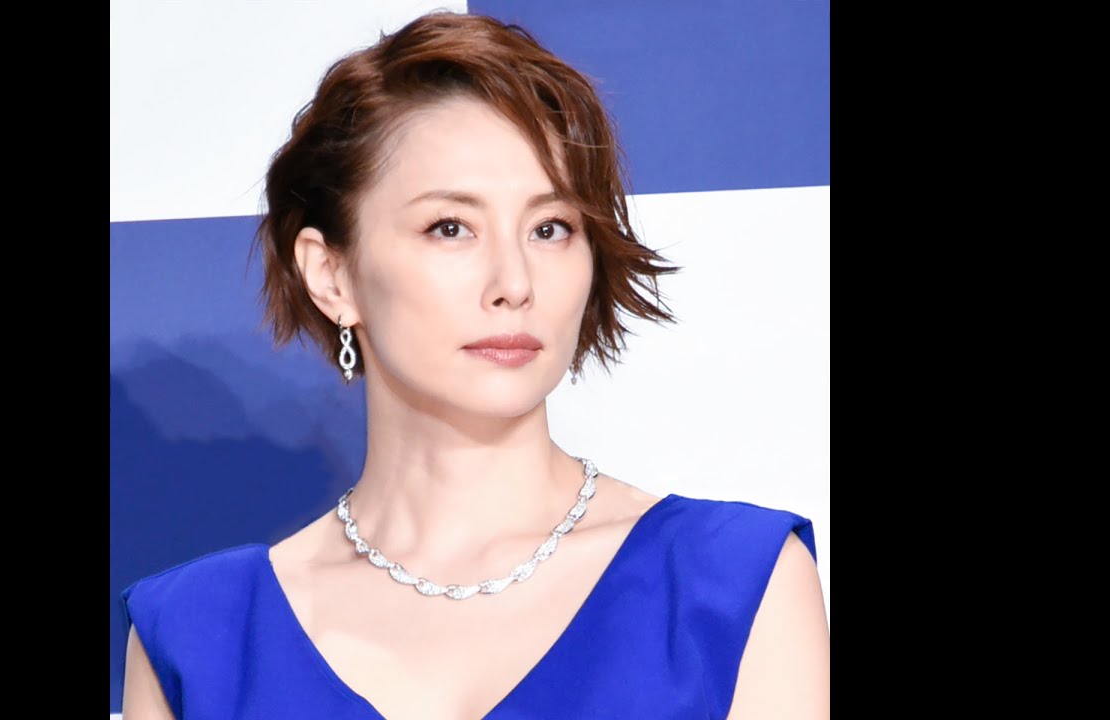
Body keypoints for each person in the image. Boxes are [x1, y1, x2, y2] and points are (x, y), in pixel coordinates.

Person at [120, 10, 828, 719]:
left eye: (550, 229)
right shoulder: (199, 637)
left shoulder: (730, 588)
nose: (513, 283)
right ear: (332, 275)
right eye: (450, 228)